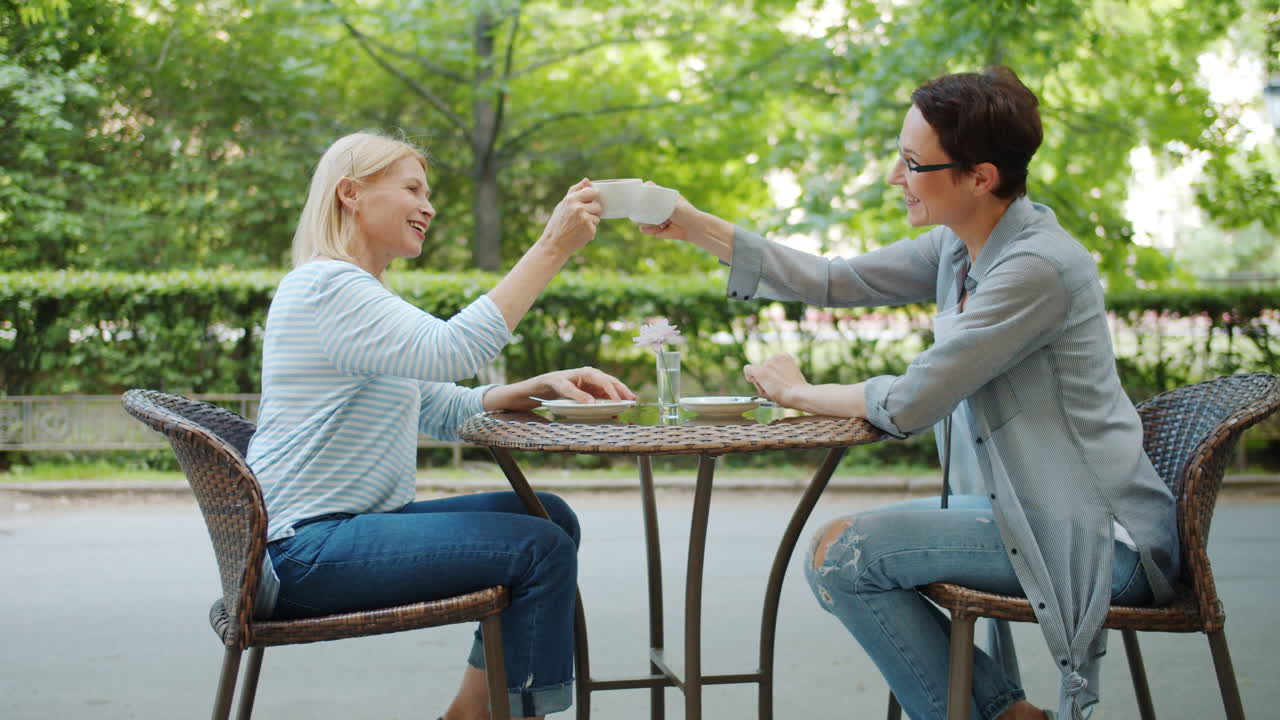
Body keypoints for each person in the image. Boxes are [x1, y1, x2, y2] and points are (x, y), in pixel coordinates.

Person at [639, 68, 1180, 720]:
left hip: (1097, 542)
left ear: (980, 177)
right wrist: (696, 225)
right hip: (1029, 513)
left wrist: (798, 392)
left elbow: (913, 401)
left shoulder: (1036, 268)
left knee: (846, 558)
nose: (896, 178)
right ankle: (1007, 714)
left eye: (912, 164)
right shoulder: (960, 247)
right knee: (835, 550)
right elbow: (836, 280)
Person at [246, 131, 635, 720]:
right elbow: (450, 348)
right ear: (351, 194)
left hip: (332, 534)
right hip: (305, 550)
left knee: (548, 517)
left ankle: (469, 714)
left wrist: (527, 388)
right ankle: (499, 714)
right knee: (541, 549)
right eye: (412, 189)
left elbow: (438, 404)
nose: (429, 206)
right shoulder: (329, 287)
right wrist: (551, 248)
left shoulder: (355, 292)